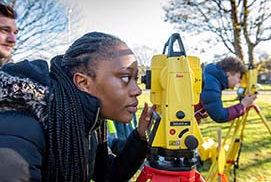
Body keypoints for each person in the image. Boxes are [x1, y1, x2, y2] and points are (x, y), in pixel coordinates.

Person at [0, 31, 155, 181]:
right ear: (83, 83)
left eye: (136, 78)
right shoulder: (22, 131)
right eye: (126, 77)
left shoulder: (82, 120)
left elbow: (106, 175)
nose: (137, 90)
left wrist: (139, 137)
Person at [194, 56, 257, 123]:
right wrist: (243, 105)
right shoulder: (211, 84)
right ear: (228, 74)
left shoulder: (211, 78)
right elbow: (220, 116)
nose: (240, 81)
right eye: (239, 77)